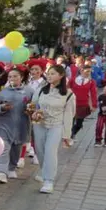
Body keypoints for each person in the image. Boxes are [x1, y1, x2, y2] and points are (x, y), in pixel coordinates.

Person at [30, 65, 75, 193]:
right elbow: (32, 105)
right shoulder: (41, 90)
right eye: (48, 74)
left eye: (53, 74)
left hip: (56, 125)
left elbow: (69, 115)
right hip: (39, 124)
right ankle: (44, 170)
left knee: (50, 151)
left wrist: (67, 135)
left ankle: (48, 181)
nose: (49, 76)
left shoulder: (68, 94)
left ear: (61, 76)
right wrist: (33, 112)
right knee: (40, 151)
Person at [0, 67, 32, 184]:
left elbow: (35, 106)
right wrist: (2, 107)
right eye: (10, 76)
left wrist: (30, 109)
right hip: (4, 124)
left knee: (16, 148)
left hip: (21, 125)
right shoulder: (3, 92)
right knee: (3, 147)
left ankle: (11, 167)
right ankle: (1, 172)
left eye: (15, 76)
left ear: (21, 77)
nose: (12, 79)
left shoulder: (29, 91)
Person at [70, 62, 97, 139]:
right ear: (81, 70)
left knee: (79, 123)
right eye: (87, 71)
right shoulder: (73, 80)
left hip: (83, 105)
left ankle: (73, 133)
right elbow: (67, 89)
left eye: (90, 71)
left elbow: (93, 94)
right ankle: (69, 135)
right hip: (72, 104)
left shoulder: (91, 82)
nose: (89, 73)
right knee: (70, 121)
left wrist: (94, 105)